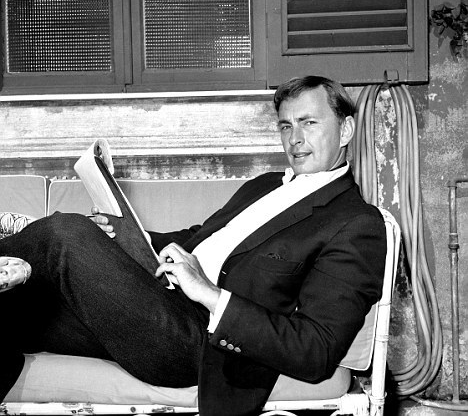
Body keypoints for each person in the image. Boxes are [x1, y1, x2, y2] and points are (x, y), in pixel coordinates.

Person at [0, 76, 387, 416]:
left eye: (309, 123)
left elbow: (316, 349)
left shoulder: (356, 223)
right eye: (286, 126)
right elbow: (199, 237)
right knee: (26, 310)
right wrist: (124, 235)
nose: (295, 138)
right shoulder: (266, 184)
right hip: (155, 301)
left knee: (65, 232)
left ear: (346, 130)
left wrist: (209, 294)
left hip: (195, 341)